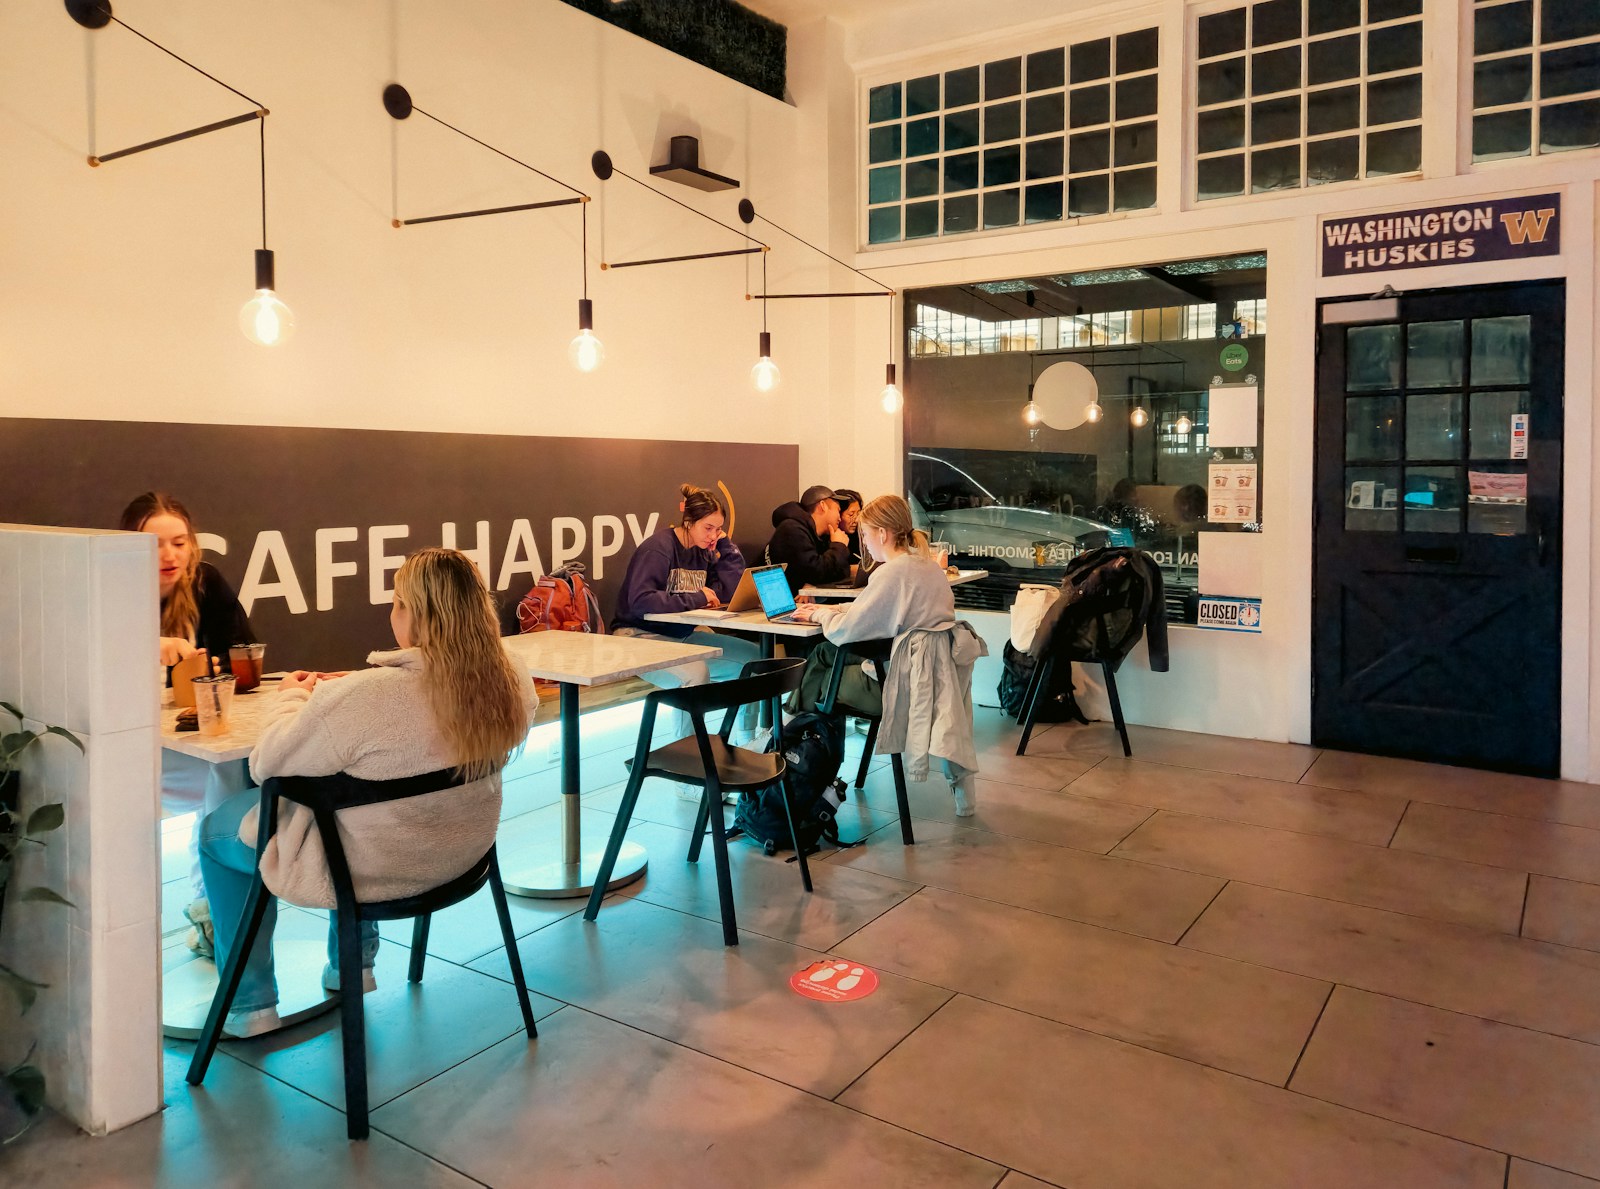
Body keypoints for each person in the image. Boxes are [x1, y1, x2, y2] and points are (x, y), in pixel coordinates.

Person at [198, 547, 537, 1037]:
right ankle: (353, 968)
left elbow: (266, 760)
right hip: (462, 857)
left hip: (372, 870)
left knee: (215, 835)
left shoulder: (366, 699)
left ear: (417, 616)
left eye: (397, 602)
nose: (390, 612)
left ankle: (250, 1006)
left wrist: (291, 695)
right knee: (355, 820)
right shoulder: (510, 678)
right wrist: (352, 689)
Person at [120, 491, 255, 959]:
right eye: (155, 544)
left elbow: (241, 655)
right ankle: (213, 914)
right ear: (126, 546)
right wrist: (148, 646)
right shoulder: (106, 590)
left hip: (192, 737)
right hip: (125, 746)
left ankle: (214, 913)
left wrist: (209, 670)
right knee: (223, 783)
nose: (169, 555)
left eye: (179, 542)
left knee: (230, 775)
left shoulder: (206, 583)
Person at [790, 495, 985, 816]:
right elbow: (875, 609)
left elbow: (848, 630)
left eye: (865, 535)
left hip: (898, 691)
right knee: (825, 656)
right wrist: (829, 608)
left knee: (823, 673)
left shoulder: (891, 573)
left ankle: (794, 753)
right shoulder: (928, 568)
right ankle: (792, 739)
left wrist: (816, 616)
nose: (864, 543)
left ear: (882, 533)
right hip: (934, 684)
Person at [611, 484, 764, 751]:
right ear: (688, 522)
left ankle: (747, 741)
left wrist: (724, 543)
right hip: (637, 637)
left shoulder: (704, 549)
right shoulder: (658, 549)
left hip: (679, 635)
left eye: (718, 528)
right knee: (694, 673)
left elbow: (731, 587)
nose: (713, 535)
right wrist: (698, 597)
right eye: (708, 528)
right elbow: (640, 602)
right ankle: (688, 773)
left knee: (755, 658)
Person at [764, 484, 851, 593]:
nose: (839, 517)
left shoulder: (820, 537)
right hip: (766, 601)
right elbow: (814, 573)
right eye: (838, 510)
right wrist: (839, 546)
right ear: (823, 506)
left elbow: (839, 572)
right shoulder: (792, 529)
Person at [834, 488, 864, 569]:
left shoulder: (861, 535)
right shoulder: (830, 540)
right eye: (851, 514)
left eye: (858, 513)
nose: (856, 520)